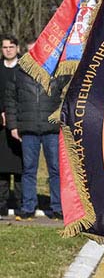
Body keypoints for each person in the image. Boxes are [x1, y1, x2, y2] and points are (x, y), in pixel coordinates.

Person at [5, 59, 70, 220]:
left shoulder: (56, 71)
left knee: (55, 169)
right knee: (29, 170)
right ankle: (28, 207)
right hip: (28, 129)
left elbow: (69, 88)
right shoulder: (19, 72)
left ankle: (58, 207)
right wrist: (13, 126)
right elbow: (10, 99)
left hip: (52, 129)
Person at [0, 36, 23, 216]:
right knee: (2, 166)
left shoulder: (24, 69)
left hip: (19, 124)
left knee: (21, 164)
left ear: (17, 48)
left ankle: (22, 202)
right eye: (5, 47)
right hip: (1, 126)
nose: (8, 50)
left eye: (11, 47)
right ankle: (2, 202)